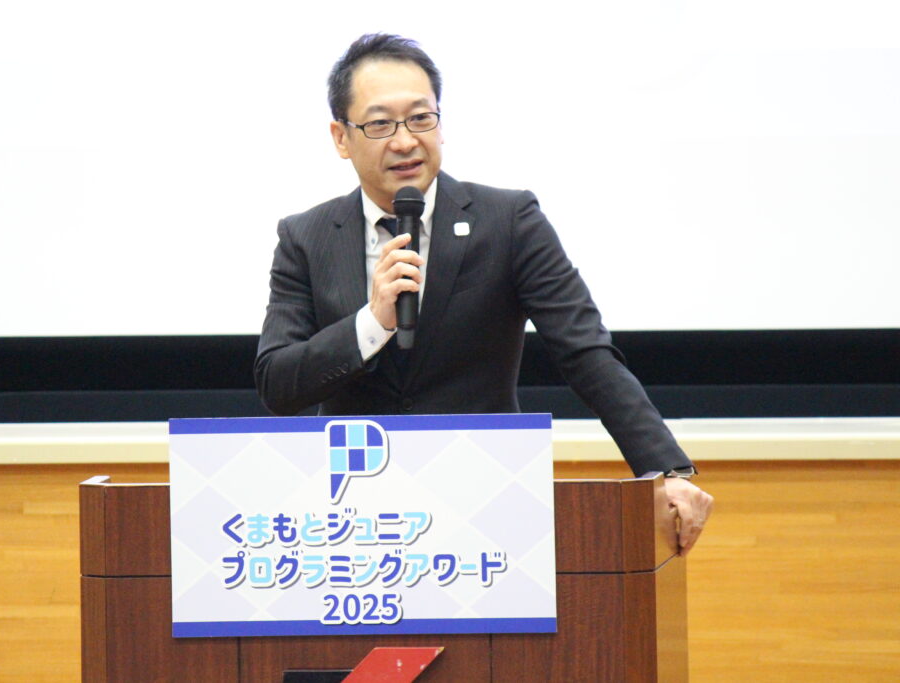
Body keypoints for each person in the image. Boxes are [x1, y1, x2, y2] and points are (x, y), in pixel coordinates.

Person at [255, 34, 713, 554]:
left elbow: (586, 353)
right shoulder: (306, 237)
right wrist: (372, 323)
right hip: (355, 513)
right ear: (341, 137)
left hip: (488, 503)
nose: (405, 141)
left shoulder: (508, 221)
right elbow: (278, 383)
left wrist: (666, 468)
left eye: (421, 118)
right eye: (380, 124)